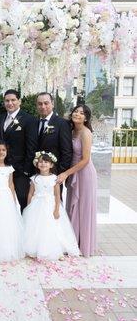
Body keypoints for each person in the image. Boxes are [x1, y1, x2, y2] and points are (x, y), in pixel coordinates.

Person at [57, 104, 97, 257]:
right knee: (73, 207)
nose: (78, 114)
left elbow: (85, 160)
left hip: (84, 173)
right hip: (74, 172)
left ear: (86, 118)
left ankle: (84, 244)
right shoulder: (71, 130)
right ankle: (73, 242)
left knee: (83, 207)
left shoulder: (86, 133)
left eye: (82, 113)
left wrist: (66, 173)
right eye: (76, 112)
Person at [23, 152, 79, 260]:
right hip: (36, 205)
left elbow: (57, 195)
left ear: (51, 165)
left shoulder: (55, 179)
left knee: (52, 226)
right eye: (40, 162)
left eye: (46, 162)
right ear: (36, 164)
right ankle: (33, 248)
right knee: (36, 227)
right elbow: (30, 193)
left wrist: (57, 209)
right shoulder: (34, 178)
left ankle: (56, 249)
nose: (43, 164)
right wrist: (28, 207)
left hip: (50, 205)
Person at [0, 89, 38, 212]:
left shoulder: (29, 120)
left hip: (21, 171)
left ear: (19, 101)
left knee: (22, 200)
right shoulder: (1, 119)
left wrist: (26, 170)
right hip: (3, 168)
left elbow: (32, 147)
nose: (10, 103)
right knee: (4, 201)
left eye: (13, 100)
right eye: (7, 100)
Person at [36, 92, 73, 181]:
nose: (43, 106)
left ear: (52, 104)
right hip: (36, 174)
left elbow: (67, 151)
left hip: (54, 174)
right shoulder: (34, 123)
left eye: (46, 103)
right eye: (40, 104)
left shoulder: (62, 123)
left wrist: (60, 173)